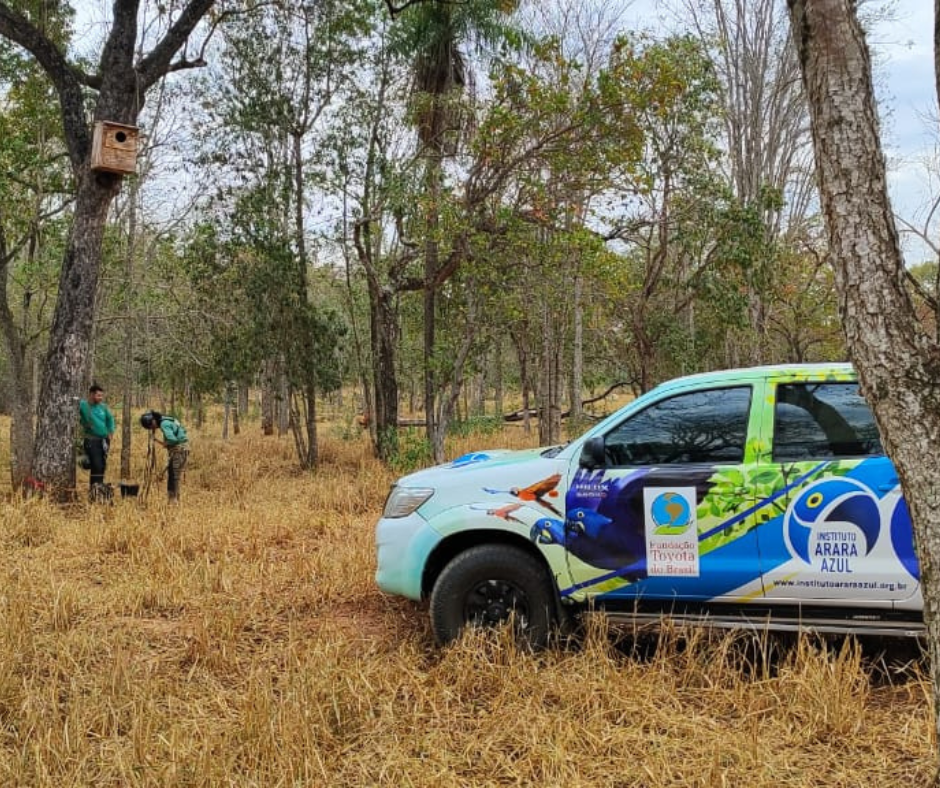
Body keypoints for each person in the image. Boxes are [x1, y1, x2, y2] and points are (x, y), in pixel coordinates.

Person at [140, 410, 190, 501]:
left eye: (151, 426)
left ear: (154, 420)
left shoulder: (164, 424)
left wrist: (165, 443)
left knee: (174, 477)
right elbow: (182, 432)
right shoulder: (168, 420)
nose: (152, 428)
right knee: (173, 475)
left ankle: (173, 501)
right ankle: (173, 499)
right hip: (182, 450)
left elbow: (173, 440)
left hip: (178, 451)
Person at [79, 383, 115, 498]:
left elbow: (110, 419)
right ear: (91, 395)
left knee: (101, 466)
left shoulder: (103, 407)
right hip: (91, 441)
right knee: (96, 466)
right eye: (98, 396)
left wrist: (110, 432)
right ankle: (96, 491)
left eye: (101, 396)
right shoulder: (83, 405)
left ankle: (96, 492)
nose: (100, 398)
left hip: (104, 441)